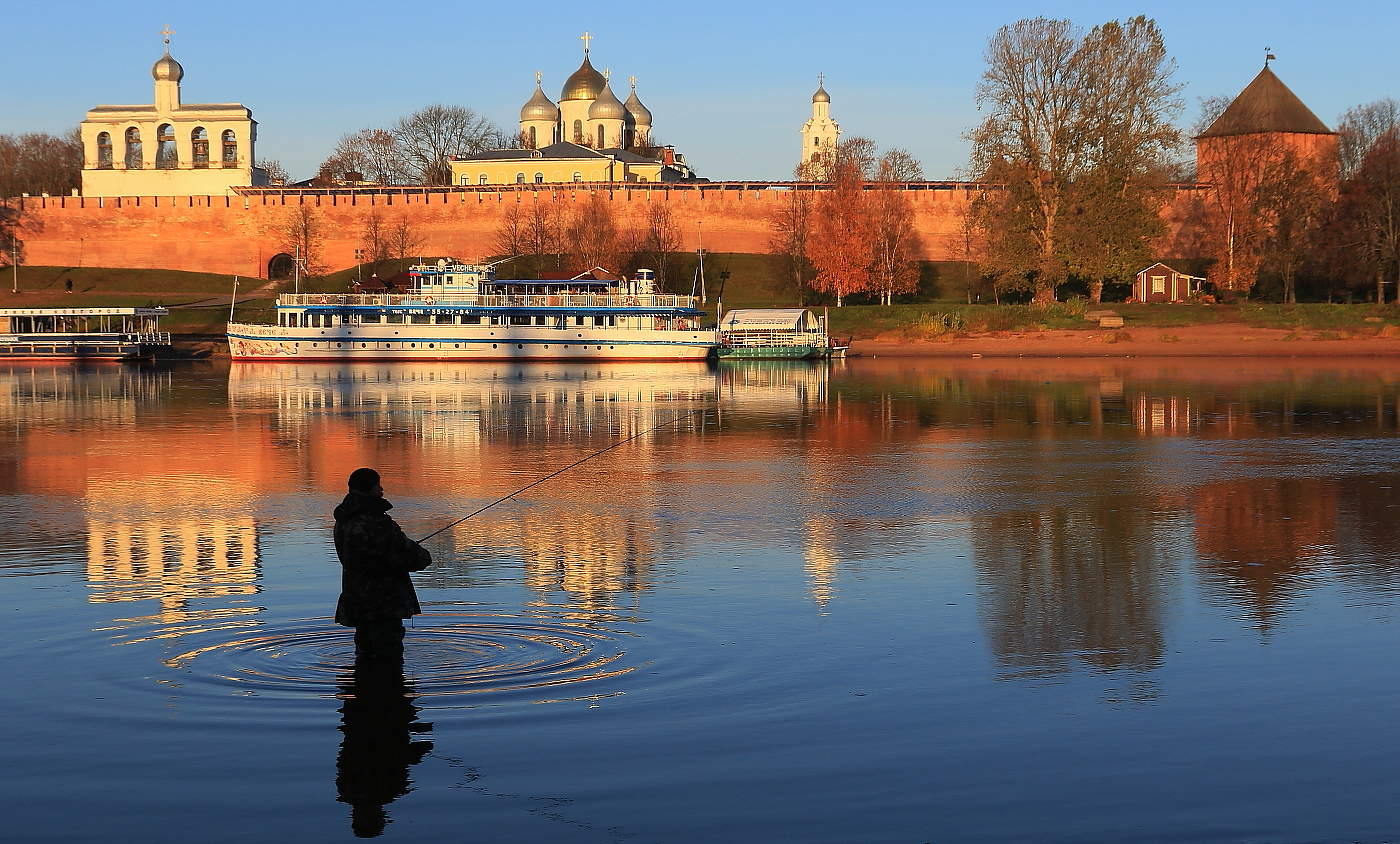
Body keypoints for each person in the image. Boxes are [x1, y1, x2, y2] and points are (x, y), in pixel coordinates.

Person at [334, 468, 431, 660]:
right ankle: (388, 686)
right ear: (368, 488)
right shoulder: (376, 521)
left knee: (364, 646)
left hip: (356, 594)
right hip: (383, 598)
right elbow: (405, 555)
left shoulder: (343, 519)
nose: (381, 489)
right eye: (378, 485)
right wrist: (423, 556)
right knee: (388, 650)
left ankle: (365, 684)